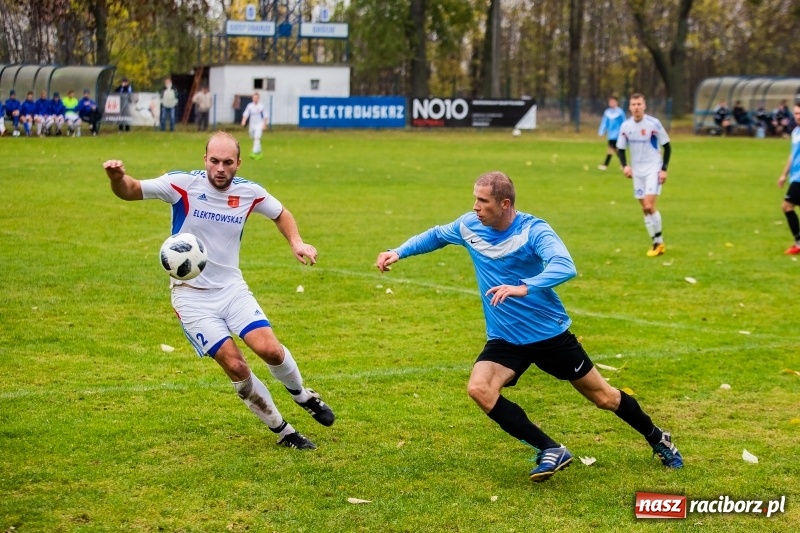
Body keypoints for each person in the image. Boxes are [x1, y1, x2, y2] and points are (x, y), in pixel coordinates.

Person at [375, 171, 683, 482]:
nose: (475, 207)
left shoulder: (534, 230)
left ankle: (658, 437)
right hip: (505, 338)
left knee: (605, 398)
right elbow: (437, 235)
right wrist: (398, 251)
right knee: (479, 389)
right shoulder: (469, 226)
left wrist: (524, 287)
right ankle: (550, 449)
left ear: (504, 203)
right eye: (475, 198)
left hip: (549, 335)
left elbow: (565, 265)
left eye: (483, 200)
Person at [102, 131, 335, 450]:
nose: (220, 168)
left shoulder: (249, 192)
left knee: (271, 350)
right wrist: (117, 178)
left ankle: (302, 395)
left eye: (227, 162)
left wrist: (296, 241)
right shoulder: (182, 185)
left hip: (232, 290)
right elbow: (131, 190)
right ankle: (284, 431)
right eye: (214, 161)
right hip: (191, 297)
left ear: (238, 163)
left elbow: (280, 213)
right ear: (205, 160)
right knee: (237, 366)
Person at [616, 93, 672, 257]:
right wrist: (625, 166)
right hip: (637, 172)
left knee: (648, 205)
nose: (636, 107)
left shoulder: (653, 124)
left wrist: (664, 169)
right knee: (644, 209)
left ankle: (658, 242)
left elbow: (667, 146)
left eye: (639, 104)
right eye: (633, 104)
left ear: (644, 105)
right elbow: (620, 148)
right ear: (630, 107)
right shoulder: (626, 126)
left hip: (653, 169)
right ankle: (657, 242)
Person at [776, 103, 800, 255]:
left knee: (786, 206)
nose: (798, 116)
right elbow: (793, 155)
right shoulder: (796, 132)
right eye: (796, 113)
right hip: (795, 177)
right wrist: (784, 174)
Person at [597, 96, 625, 170]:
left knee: (611, 149)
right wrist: (601, 131)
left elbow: (624, 122)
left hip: (618, 134)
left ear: (616, 102)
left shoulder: (620, 112)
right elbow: (604, 122)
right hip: (611, 134)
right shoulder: (607, 112)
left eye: (613, 102)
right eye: (610, 102)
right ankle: (623, 164)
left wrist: (624, 132)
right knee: (616, 150)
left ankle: (605, 165)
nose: (611, 103)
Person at [241, 92, 267, 159]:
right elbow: (246, 114)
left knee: (257, 138)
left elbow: (265, 116)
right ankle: (259, 152)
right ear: (252, 98)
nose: (255, 99)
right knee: (254, 138)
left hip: (259, 124)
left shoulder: (261, 106)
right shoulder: (250, 106)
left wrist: (264, 125)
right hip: (252, 124)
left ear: (258, 98)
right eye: (254, 98)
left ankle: (253, 152)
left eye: (256, 98)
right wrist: (243, 121)